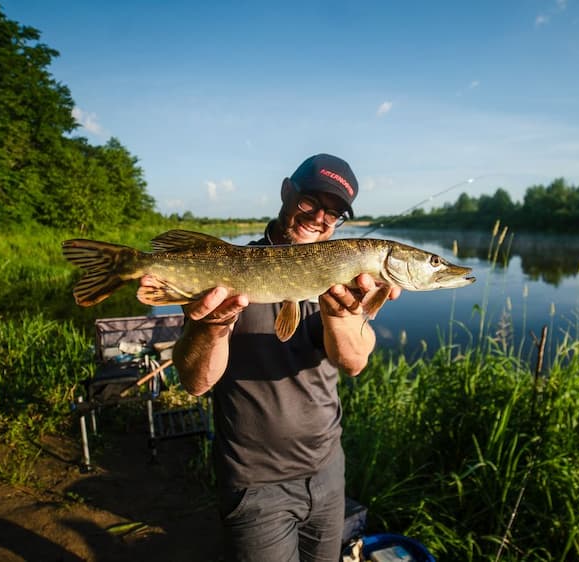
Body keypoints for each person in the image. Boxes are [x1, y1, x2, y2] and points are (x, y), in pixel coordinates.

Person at [139, 154, 400, 561]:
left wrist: (342, 316)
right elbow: (195, 382)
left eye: (334, 213)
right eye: (310, 202)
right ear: (286, 192)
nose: (319, 218)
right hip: (254, 484)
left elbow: (353, 361)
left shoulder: (339, 279)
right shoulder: (235, 267)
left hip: (327, 474)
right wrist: (211, 326)